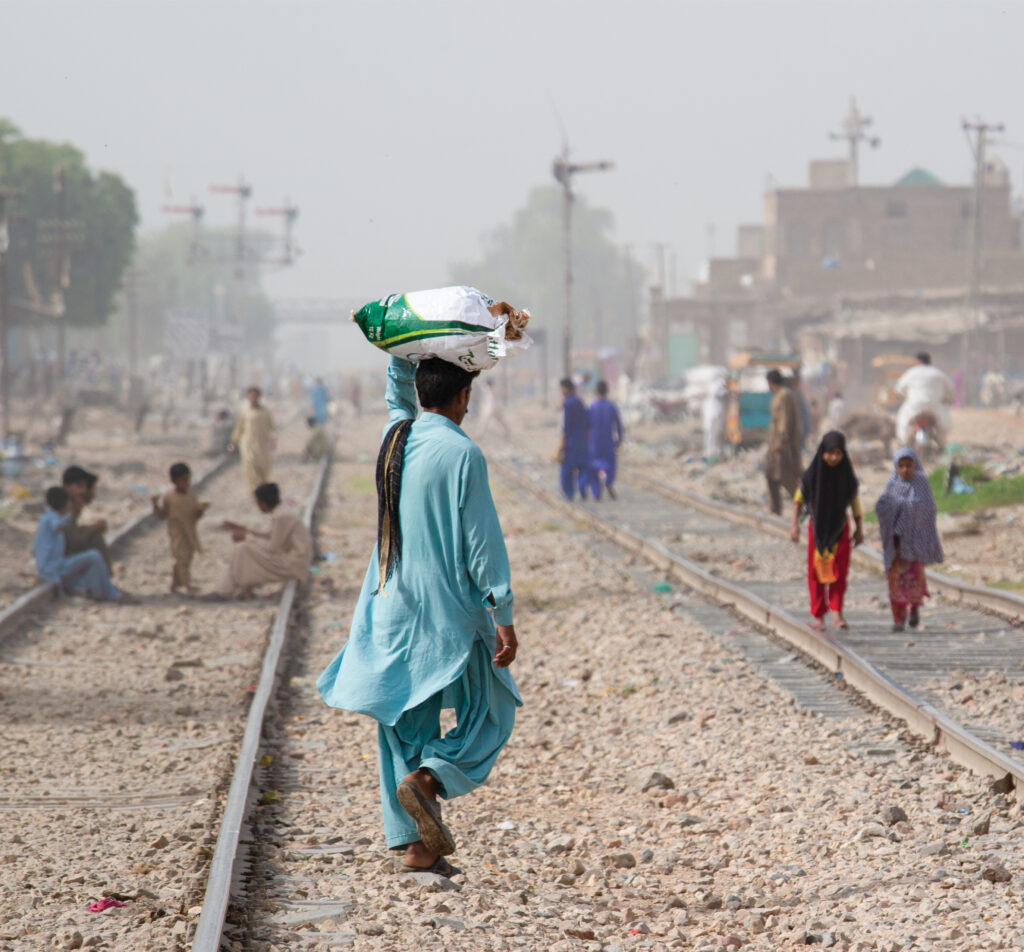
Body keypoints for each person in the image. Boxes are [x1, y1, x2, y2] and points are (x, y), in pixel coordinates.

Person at [317, 355, 520, 878]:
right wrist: (502, 614)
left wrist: (401, 351)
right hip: (447, 612)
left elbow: (394, 398)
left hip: (388, 607)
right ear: (463, 397)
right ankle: (430, 779)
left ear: (418, 391)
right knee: (492, 709)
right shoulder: (462, 454)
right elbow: (481, 544)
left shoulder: (395, 439)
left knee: (402, 727)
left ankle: (417, 849)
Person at [790, 431, 863, 631]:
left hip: (840, 528)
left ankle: (837, 613)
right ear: (822, 452)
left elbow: (854, 503)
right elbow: (798, 501)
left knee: (840, 573)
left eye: (838, 453)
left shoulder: (847, 477)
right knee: (816, 572)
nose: (834, 458)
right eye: (830, 453)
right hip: (818, 530)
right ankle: (818, 615)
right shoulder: (811, 476)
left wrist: (859, 529)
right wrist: (794, 525)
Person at [875, 447, 944, 632]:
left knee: (914, 578)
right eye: (901, 466)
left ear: (915, 465)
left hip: (916, 543)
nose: (905, 470)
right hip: (897, 546)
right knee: (896, 580)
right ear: (896, 467)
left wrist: (913, 512)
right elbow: (882, 507)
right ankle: (898, 619)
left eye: (909, 465)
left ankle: (913, 609)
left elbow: (929, 509)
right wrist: (894, 511)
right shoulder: (892, 486)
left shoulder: (921, 482)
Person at [216, 482, 312, 598]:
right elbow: (268, 535)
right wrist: (242, 528)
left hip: (294, 564)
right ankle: (228, 590)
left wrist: (246, 537)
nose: (257, 506)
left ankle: (226, 591)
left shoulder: (281, 516)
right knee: (243, 548)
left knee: (243, 548)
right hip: (291, 560)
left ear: (264, 503)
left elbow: (272, 548)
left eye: (257, 502)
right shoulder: (281, 511)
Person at [33, 487, 124, 602]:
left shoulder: (46, 517)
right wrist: (74, 514)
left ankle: (94, 591)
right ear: (64, 504)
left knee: (87, 567)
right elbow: (59, 526)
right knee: (93, 556)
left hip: (51, 567)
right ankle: (112, 595)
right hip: (53, 568)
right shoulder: (50, 519)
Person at [152, 462, 209, 595]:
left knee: (186, 558)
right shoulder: (169, 497)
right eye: (183, 480)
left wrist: (201, 510)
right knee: (181, 558)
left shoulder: (192, 497)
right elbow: (162, 515)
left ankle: (175, 584)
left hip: (190, 532)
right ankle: (187, 585)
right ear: (173, 481)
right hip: (177, 533)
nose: (186, 483)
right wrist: (155, 505)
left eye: (188, 480)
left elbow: (195, 515)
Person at [894, 352, 955, 450]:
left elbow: (899, 388)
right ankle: (942, 445)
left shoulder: (911, 372)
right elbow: (951, 389)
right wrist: (948, 399)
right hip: (935, 407)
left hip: (914, 407)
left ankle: (903, 444)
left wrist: (902, 396)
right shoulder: (938, 373)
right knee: (944, 424)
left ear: (918, 361)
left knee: (903, 421)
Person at [764, 369, 802, 516]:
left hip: (783, 446)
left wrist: (780, 440)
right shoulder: (778, 396)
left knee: (786, 478)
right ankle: (775, 511)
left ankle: (802, 507)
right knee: (770, 475)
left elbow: (784, 421)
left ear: (770, 382)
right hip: (774, 446)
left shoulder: (784, 396)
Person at [61, 465, 111, 570]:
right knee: (95, 541)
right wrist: (93, 529)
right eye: (80, 486)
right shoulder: (64, 507)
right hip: (59, 561)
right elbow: (72, 540)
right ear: (69, 486)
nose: (83, 491)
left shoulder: (72, 506)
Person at [229, 386, 276, 490]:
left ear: (259, 397)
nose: (253, 398)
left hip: (262, 445)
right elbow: (239, 428)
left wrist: (273, 439)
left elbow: (272, 427)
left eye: (255, 396)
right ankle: (254, 492)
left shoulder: (265, 412)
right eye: (251, 396)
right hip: (247, 445)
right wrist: (233, 444)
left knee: (263, 469)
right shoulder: (244, 411)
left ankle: (262, 491)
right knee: (250, 469)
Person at [587, 380, 624, 500]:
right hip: (608, 441)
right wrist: (619, 441)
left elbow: (586, 426)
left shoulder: (592, 407)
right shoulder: (612, 407)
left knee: (593, 467)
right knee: (610, 465)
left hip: (594, 442)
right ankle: (608, 481)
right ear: (607, 391)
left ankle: (596, 493)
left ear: (596, 391)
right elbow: (619, 426)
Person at [556, 377, 590, 501]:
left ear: (566, 388)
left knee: (567, 468)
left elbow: (566, 424)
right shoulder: (579, 401)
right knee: (583, 466)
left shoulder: (568, 403)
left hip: (571, 440)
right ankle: (582, 489)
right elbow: (587, 420)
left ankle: (569, 493)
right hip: (582, 440)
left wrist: (562, 442)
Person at [702, 381, 729, 462]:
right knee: (711, 437)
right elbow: (720, 393)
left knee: (718, 436)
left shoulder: (719, 401)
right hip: (713, 418)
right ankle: (710, 454)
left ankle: (717, 454)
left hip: (718, 417)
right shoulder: (716, 393)